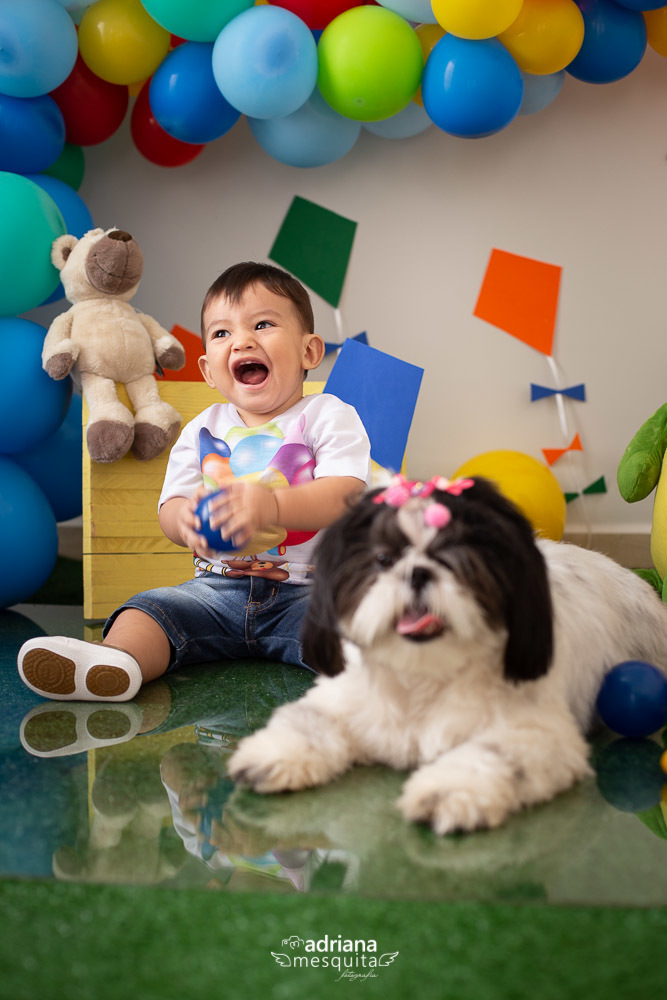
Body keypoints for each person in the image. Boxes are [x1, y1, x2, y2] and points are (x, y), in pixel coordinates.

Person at [18, 262, 371, 702]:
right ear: (207, 370)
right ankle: (114, 661)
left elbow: (345, 495)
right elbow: (171, 507)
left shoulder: (329, 415)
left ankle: (379, 678)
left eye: (262, 324)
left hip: (309, 592)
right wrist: (187, 523)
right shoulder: (202, 429)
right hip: (214, 592)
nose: (242, 340)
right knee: (149, 609)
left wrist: (272, 507)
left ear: (309, 352)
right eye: (222, 333)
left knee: (353, 623)